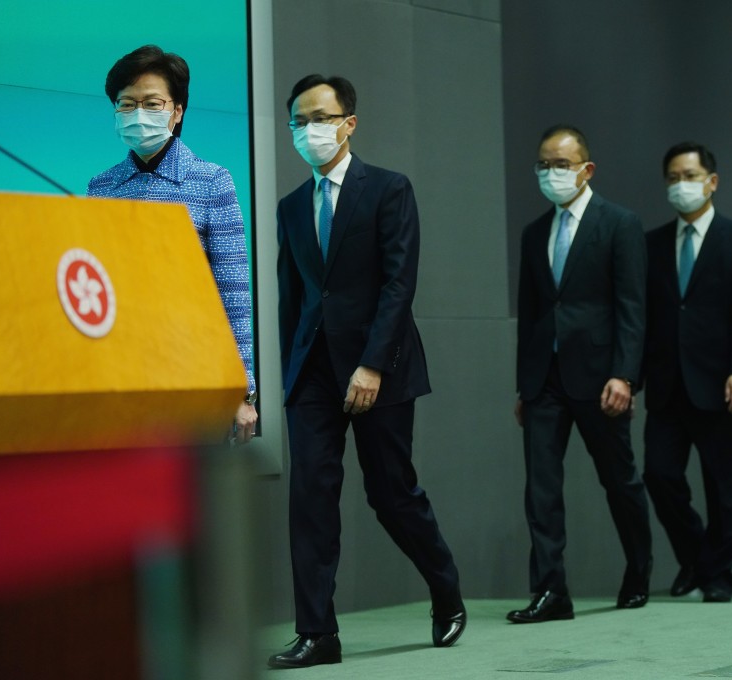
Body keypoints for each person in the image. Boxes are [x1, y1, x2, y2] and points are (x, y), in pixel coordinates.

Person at [271, 75, 464, 668]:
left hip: (380, 368)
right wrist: (286, 377)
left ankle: (446, 589)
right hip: (312, 373)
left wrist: (372, 364)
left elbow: (399, 284)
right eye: (299, 121)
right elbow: (291, 298)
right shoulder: (290, 207)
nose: (309, 130)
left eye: (320, 118)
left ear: (349, 123)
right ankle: (318, 633)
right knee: (310, 497)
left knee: (391, 493)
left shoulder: (387, 189)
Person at [509, 124, 652, 623]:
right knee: (541, 488)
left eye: (562, 165)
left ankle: (638, 571)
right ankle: (551, 591)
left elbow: (633, 307)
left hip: (601, 378)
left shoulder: (620, 224)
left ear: (586, 169)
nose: (551, 173)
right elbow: (530, 313)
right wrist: (525, 385)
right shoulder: (534, 233)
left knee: (620, 480)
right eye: (544, 165)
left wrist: (625, 376)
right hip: (544, 380)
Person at [87, 45, 257, 442]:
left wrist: (241, 388)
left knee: (189, 482)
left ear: (177, 111)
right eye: (126, 104)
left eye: (151, 103)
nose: (137, 113)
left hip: (193, 374)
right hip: (119, 378)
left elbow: (233, 294)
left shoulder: (212, 181)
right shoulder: (101, 186)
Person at [641, 142, 732, 603]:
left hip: (721, 383)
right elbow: (643, 316)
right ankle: (696, 557)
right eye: (673, 177)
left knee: (726, 488)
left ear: (711, 182)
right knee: (659, 475)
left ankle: (717, 575)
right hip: (667, 385)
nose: (681, 185)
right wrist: (631, 378)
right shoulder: (651, 243)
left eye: (690, 176)